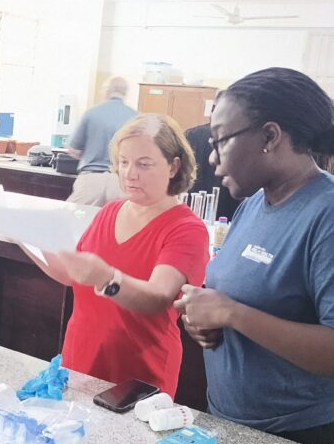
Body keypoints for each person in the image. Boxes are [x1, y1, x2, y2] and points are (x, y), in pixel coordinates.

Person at [176, 68, 334, 444]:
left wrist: (232, 314)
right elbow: (247, 299)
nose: (212, 157)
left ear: (270, 137)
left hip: (312, 435)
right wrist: (207, 321)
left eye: (220, 140)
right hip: (239, 422)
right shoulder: (253, 205)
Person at [26, 113, 209, 396]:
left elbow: (158, 297)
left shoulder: (186, 229)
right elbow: (72, 276)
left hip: (139, 374)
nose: (130, 173)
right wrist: (24, 237)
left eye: (143, 164)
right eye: (124, 162)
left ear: (173, 167)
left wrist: (107, 278)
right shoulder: (109, 212)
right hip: (81, 360)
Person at [65, 76, 137, 207]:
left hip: (91, 180)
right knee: (117, 219)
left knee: (74, 217)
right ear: (125, 92)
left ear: (106, 91)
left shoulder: (91, 113)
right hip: (121, 181)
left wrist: (90, 152)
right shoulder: (136, 118)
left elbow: (73, 150)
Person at [185, 95, 242, 221]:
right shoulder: (236, 138)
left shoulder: (191, 135)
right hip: (226, 211)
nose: (213, 159)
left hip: (193, 206)